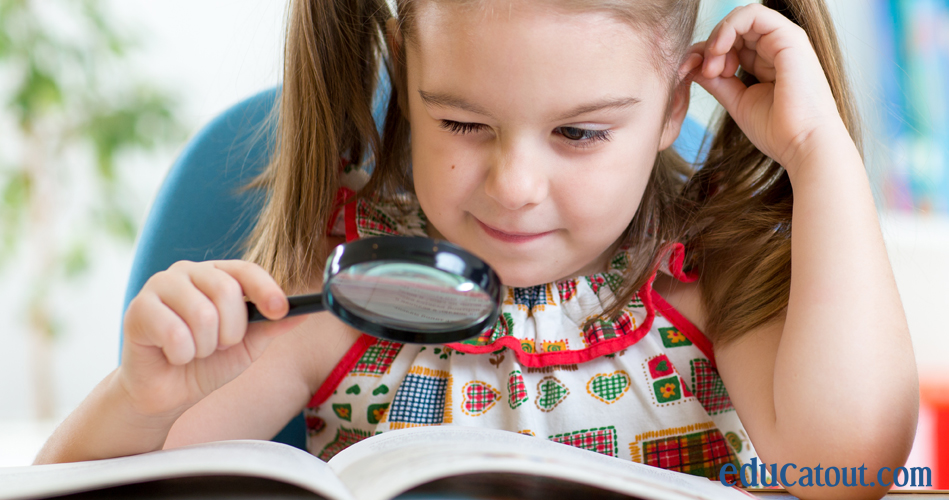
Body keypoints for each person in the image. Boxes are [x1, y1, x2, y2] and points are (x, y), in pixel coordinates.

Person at [37, 0, 918, 498]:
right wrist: (142, 398)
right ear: (408, 86)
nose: (512, 186)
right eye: (460, 122)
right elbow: (84, 494)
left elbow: (848, 469)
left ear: (671, 112)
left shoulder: (707, 277)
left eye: (577, 133)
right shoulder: (348, 282)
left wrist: (819, 151)